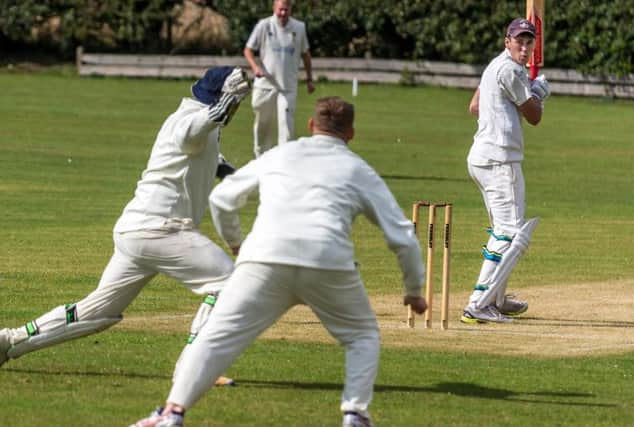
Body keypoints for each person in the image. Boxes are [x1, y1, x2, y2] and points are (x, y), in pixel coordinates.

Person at [129, 96, 427, 427]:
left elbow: (223, 198)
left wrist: (236, 244)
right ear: (351, 133)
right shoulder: (358, 169)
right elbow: (402, 236)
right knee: (362, 337)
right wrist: (413, 290)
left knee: (215, 335)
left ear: (312, 126)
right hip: (327, 262)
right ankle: (354, 414)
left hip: (264, 258)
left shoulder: (283, 153)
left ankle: (172, 413)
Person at [0, 66, 251, 386]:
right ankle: (193, 367)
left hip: (136, 231)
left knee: (95, 313)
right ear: (220, 98)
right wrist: (231, 97)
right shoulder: (189, 121)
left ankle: (8, 342)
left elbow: (216, 161)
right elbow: (195, 132)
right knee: (230, 284)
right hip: (163, 230)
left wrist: (251, 177)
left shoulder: (197, 125)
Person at [461, 18, 551, 324]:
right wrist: (537, 92)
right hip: (500, 160)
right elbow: (535, 116)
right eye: (519, 42)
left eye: (529, 43)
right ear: (507, 41)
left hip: (482, 157)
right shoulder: (511, 70)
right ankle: (479, 303)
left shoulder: (494, 66)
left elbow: (474, 106)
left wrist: (524, 90)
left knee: (502, 230)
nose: (524, 48)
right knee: (510, 233)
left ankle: (496, 297)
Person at [243, 0, 315, 158]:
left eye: (286, 10)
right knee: (263, 124)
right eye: (280, 10)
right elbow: (248, 50)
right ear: (274, 8)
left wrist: (310, 79)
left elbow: (306, 54)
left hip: (287, 87)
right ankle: (261, 159)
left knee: (286, 127)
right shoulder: (264, 25)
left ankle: (285, 161)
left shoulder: (299, 27)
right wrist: (255, 68)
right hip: (264, 85)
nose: (283, 13)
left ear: (291, 9)